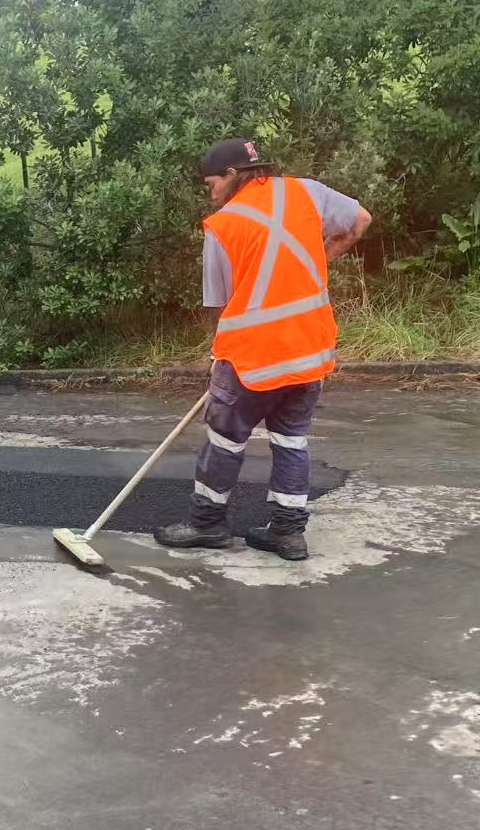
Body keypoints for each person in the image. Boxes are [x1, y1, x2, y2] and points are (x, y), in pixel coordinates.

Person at [155, 139, 372, 562]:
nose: (210, 194)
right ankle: (288, 534)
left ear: (232, 174)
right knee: (291, 441)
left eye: (211, 184)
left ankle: (206, 524)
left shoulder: (223, 225)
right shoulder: (305, 191)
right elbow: (361, 219)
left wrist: (219, 354)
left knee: (224, 439)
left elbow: (218, 305)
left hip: (251, 359)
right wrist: (322, 258)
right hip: (309, 350)